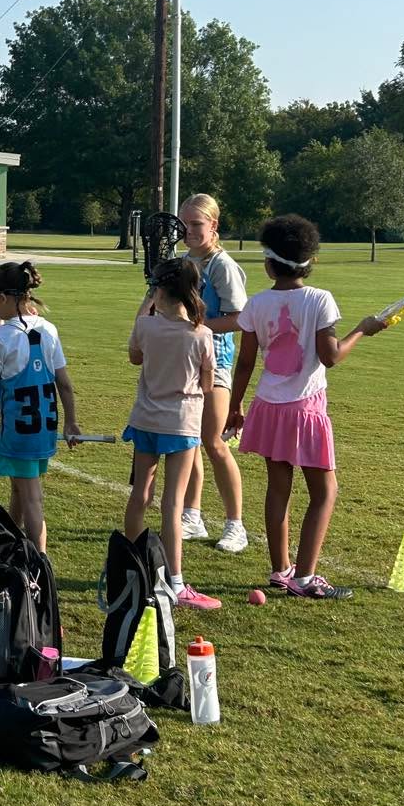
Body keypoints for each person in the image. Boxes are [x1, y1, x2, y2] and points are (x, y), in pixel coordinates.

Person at [227, 214, 387, 601]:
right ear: (310, 262)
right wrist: (363, 329)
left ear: (268, 264)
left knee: (278, 489)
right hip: (306, 408)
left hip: (268, 406)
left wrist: (235, 406)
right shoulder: (320, 299)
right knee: (324, 491)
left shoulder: (257, 303)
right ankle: (305, 577)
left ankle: (281, 570)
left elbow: (245, 362)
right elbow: (330, 357)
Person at [0, 261, 81, 553]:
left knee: (32, 497)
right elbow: (64, 383)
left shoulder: (1, 337)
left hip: (21, 429)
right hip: (45, 425)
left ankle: (38, 564)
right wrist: (70, 421)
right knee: (19, 488)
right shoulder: (48, 329)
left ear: (7, 298)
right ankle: (13, 544)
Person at [123, 258, 220, 610]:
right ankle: (175, 582)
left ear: (158, 290)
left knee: (140, 494)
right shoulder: (201, 334)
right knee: (173, 504)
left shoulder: (146, 326)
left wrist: (146, 301)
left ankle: (130, 567)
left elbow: (135, 357)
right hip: (181, 423)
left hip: (146, 419)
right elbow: (207, 384)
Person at [177, 193, 250, 554]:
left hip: (215, 362)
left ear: (213, 226)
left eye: (196, 224)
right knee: (188, 441)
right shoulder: (181, 262)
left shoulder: (221, 265)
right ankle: (192, 515)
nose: (188, 230)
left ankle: (235, 524)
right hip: (183, 363)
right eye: (184, 223)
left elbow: (239, 317)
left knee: (213, 441)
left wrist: (198, 325)